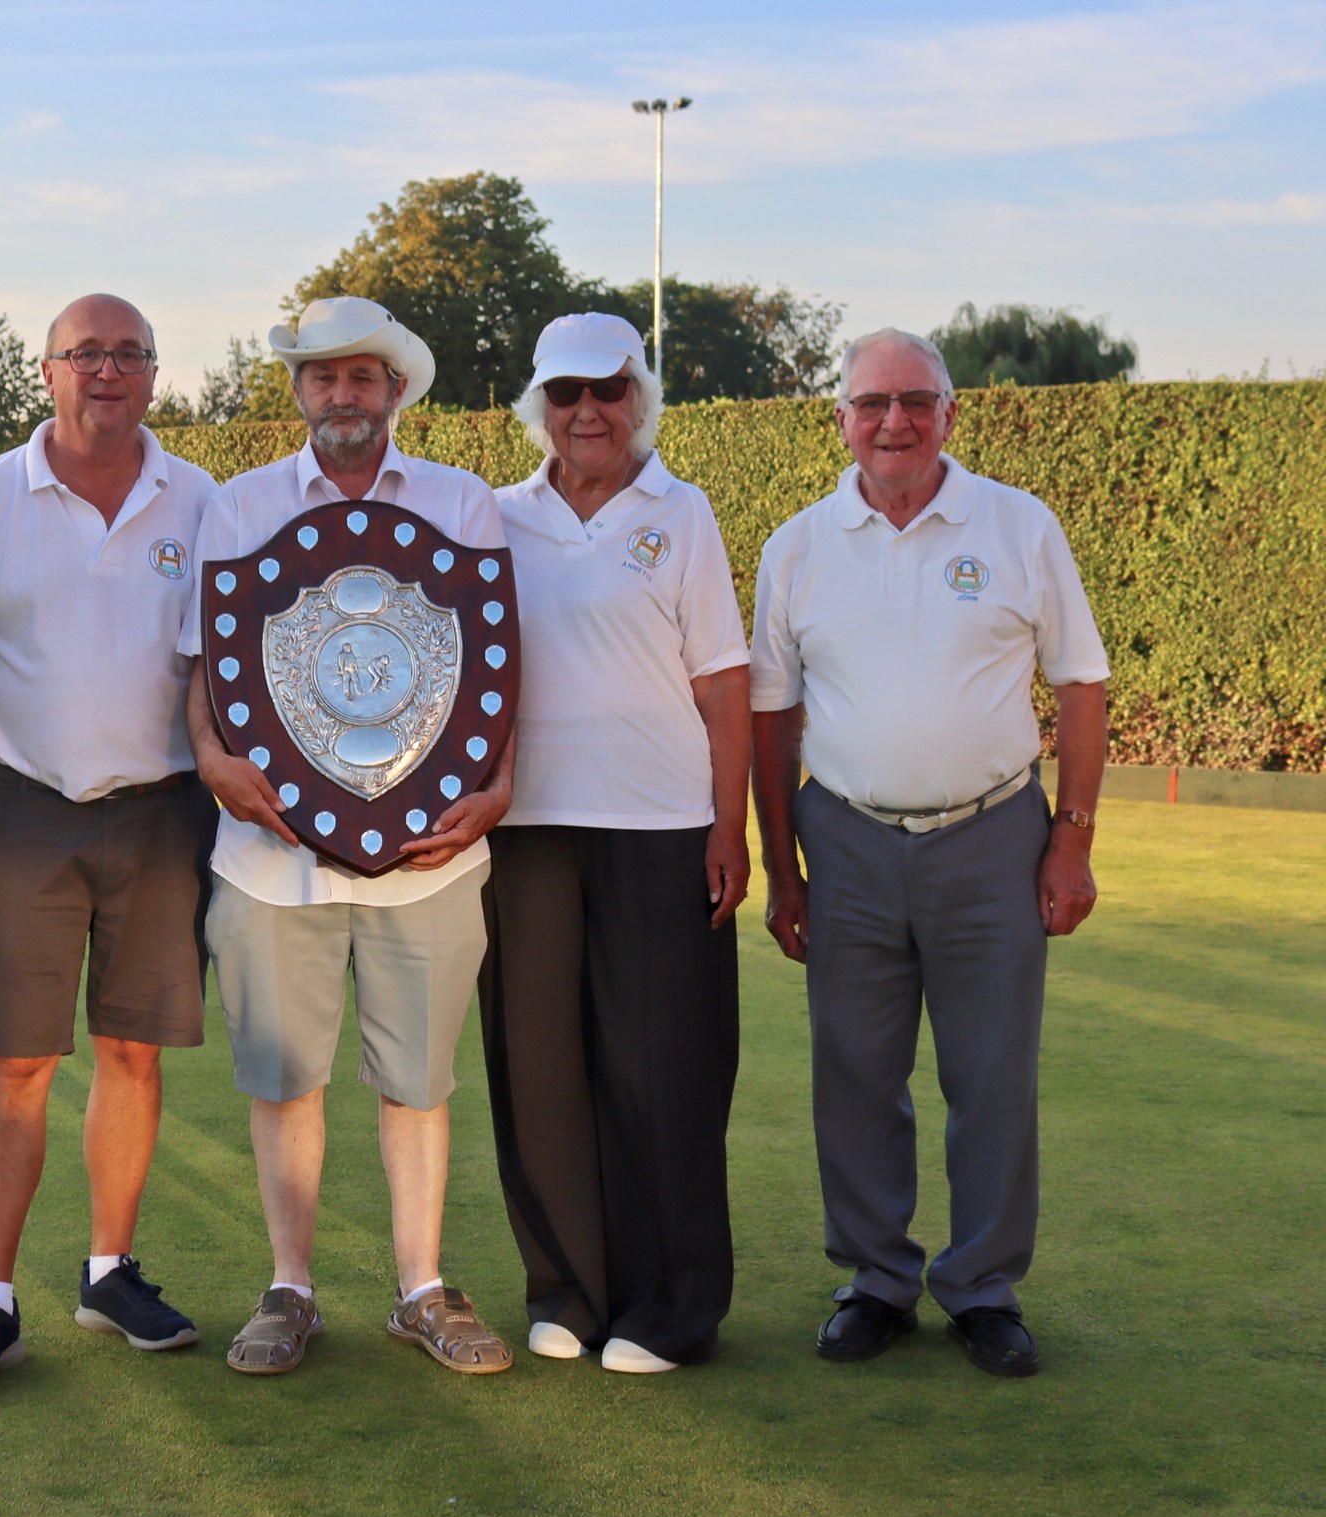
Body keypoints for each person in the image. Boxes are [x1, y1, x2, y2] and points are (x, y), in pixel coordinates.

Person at [750, 327, 1109, 1377]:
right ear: (842, 419)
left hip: (995, 834)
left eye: (916, 400)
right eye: (872, 404)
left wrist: (1072, 838)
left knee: (992, 1073)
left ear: (952, 412)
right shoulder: (798, 545)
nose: (894, 421)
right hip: (846, 838)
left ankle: (984, 1286)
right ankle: (875, 1279)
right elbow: (773, 718)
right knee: (854, 1074)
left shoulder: (1019, 526)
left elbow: (1079, 684)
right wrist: (786, 868)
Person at [183, 296, 516, 1376]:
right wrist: (211, 759)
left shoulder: (467, 503)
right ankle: (292, 1288)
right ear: (296, 391)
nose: (342, 394)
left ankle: (421, 1287)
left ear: (397, 391)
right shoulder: (236, 509)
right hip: (273, 862)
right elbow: (207, 669)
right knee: (285, 1081)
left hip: (428, 860)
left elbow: (500, 666)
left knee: (418, 1080)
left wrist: (500, 780)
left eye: (362, 376)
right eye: (322, 376)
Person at [0, 294, 220, 1397]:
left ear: (151, 372)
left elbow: (216, 673)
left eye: (128, 352)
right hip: (27, 810)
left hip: (164, 814)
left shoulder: (201, 501)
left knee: (134, 1050)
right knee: (20, 1060)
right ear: (46, 372)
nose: (106, 370)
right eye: (83, 353)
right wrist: (9, 750)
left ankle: (108, 1269)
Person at [480, 313, 752, 1374]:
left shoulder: (682, 513)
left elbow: (724, 684)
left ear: (638, 395)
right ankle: (567, 1291)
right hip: (530, 830)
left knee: (663, 1072)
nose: (585, 411)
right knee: (540, 1069)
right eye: (564, 393)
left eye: (606, 389)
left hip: (662, 825)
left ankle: (671, 1306)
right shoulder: (493, 516)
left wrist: (730, 828)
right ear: (537, 406)